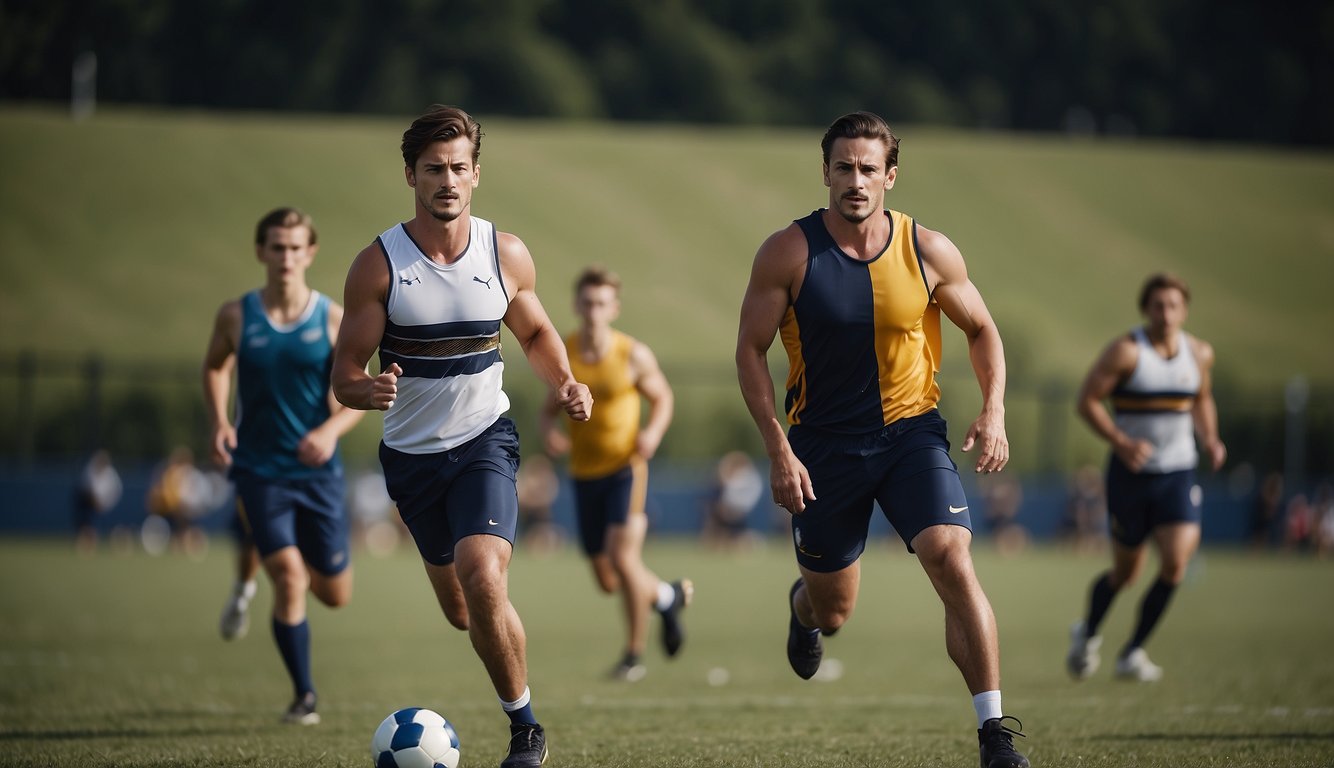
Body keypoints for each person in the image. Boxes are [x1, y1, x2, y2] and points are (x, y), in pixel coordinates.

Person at [734, 111, 1029, 768]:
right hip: (822, 449)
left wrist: (995, 409)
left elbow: (982, 330)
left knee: (952, 557)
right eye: (844, 167)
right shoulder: (788, 251)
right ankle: (802, 607)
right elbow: (749, 353)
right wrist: (778, 449)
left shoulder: (928, 250)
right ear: (826, 173)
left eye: (869, 168)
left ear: (890, 176)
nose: (856, 180)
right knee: (833, 611)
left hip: (911, 438)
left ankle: (995, 734)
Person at [331, 104, 591, 768]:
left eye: (457, 168)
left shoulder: (504, 253)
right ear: (411, 176)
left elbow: (533, 332)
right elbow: (342, 376)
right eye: (432, 170)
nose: (446, 181)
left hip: (485, 440)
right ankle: (501, 653)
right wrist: (368, 392)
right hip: (413, 461)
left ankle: (525, 730)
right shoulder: (378, 266)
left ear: (476, 174)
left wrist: (564, 383)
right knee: (464, 611)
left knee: (483, 576)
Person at [202, 207, 365, 724]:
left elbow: (353, 393)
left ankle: (252, 558)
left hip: (318, 475)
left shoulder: (333, 318)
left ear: (310, 253)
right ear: (261, 252)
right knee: (291, 579)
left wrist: (329, 429)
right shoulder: (236, 315)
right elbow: (214, 366)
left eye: (296, 248)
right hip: (259, 469)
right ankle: (304, 696)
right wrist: (219, 421)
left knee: (336, 594)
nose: (286, 257)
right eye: (277, 247)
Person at [1067, 273, 1226, 683]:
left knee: (1175, 563)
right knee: (1126, 573)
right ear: (1146, 309)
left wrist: (1210, 438)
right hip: (1131, 476)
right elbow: (1086, 402)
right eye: (1158, 305)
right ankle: (1087, 633)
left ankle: (1133, 651)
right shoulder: (1126, 352)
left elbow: (1203, 398)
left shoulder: (1200, 354)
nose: (1167, 313)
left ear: (1185, 310)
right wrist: (1121, 441)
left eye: (1174, 305)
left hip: (1178, 472)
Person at [538, 266, 692, 682]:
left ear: (614, 308)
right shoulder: (564, 353)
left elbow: (662, 398)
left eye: (601, 303)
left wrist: (653, 433)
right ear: (576, 305)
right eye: (587, 302)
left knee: (624, 560)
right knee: (607, 580)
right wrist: (548, 433)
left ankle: (632, 655)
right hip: (583, 473)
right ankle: (665, 595)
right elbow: (549, 408)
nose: (593, 311)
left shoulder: (632, 354)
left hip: (626, 467)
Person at [73, 449, 122, 554]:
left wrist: (104, 504)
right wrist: (97, 503)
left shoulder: (111, 475)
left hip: (104, 504)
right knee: (86, 523)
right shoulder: (89, 470)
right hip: (86, 501)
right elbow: (89, 492)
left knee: (107, 525)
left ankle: (109, 543)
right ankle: (86, 545)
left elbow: (116, 491)